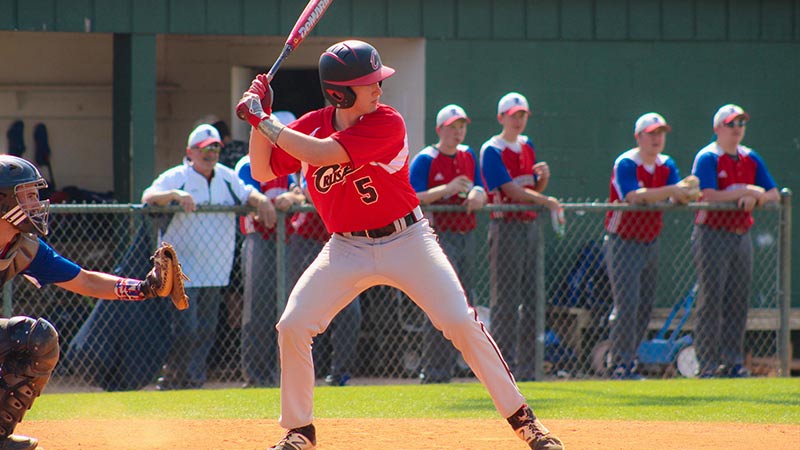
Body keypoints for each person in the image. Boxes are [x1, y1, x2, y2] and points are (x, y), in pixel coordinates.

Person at [237, 40, 563, 450]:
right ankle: (300, 431)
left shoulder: (386, 122)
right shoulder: (310, 124)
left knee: (461, 321)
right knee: (293, 325)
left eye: (377, 80)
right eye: (368, 82)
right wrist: (256, 119)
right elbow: (263, 168)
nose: (379, 88)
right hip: (346, 248)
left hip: (407, 239)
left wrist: (262, 119)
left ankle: (526, 422)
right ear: (339, 92)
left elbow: (320, 155)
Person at [0, 154, 175, 450]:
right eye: (26, 195)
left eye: (34, 194)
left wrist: (144, 288)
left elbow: (85, 280)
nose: (36, 203)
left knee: (36, 339)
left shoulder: (23, 246)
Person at [142, 123, 274, 390]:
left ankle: (194, 380)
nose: (210, 153)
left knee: (207, 329)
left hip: (215, 268)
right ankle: (172, 378)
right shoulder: (176, 176)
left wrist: (262, 201)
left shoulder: (226, 176)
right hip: (181, 271)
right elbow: (148, 196)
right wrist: (175, 195)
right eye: (204, 148)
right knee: (186, 329)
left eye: (215, 147)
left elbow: (248, 194)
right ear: (190, 151)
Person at [603, 112, 695, 380]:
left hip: (650, 241)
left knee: (644, 307)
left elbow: (677, 195)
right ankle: (618, 364)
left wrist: (686, 192)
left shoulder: (667, 165)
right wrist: (672, 190)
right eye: (651, 133)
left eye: (660, 133)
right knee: (627, 304)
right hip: (623, 242)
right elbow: (633, 196)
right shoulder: (627, 163)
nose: (657, 138)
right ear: (638, 137)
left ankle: (630, 361)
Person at [691, 104, 779, 378]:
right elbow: (706, 194)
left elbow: (774, 192)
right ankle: (706, 364)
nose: (737, 129)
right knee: (712, 300)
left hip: (741, 236)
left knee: (738, 301)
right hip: (711, 236)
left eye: (741, 124)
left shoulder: (750, 157)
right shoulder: (708, 157)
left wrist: (756, 197)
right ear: (718, 129)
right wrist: (744, 190)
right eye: (731, 124)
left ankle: (733, 362)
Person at [479, 92, 563, 381]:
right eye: (513, 115)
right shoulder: (492, 149)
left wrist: (544, 180)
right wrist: (548, 200)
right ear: (501, 117)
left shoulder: (527, 146)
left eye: (522, 114)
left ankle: (528, 368)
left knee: (532, 299)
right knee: (505, 301)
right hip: (506, 228)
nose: (518, 120)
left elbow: (530, 191)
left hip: (528, 226)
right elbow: (511, 191)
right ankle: (502, 368)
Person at [409, 104, 486, 384]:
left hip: (465, 235)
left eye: (461, 127)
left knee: (464, 303)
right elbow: (412, 197)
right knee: (439, 302)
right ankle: (434, 371)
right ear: (439, 129)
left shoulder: (468, 155)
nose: (458, 132)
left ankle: (460, 367)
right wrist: (448, 188)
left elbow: (480, 186)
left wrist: (478, 193)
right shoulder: (426, 158)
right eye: (452, 127)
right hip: (437, 237)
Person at [287, 175, 363, 387]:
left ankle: (340, 375)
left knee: (350, 311)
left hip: (345, 243)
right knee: (302, 312)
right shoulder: (311, 155)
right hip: (307, 242)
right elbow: (310, 193)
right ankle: (302, 376)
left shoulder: (351, 157)